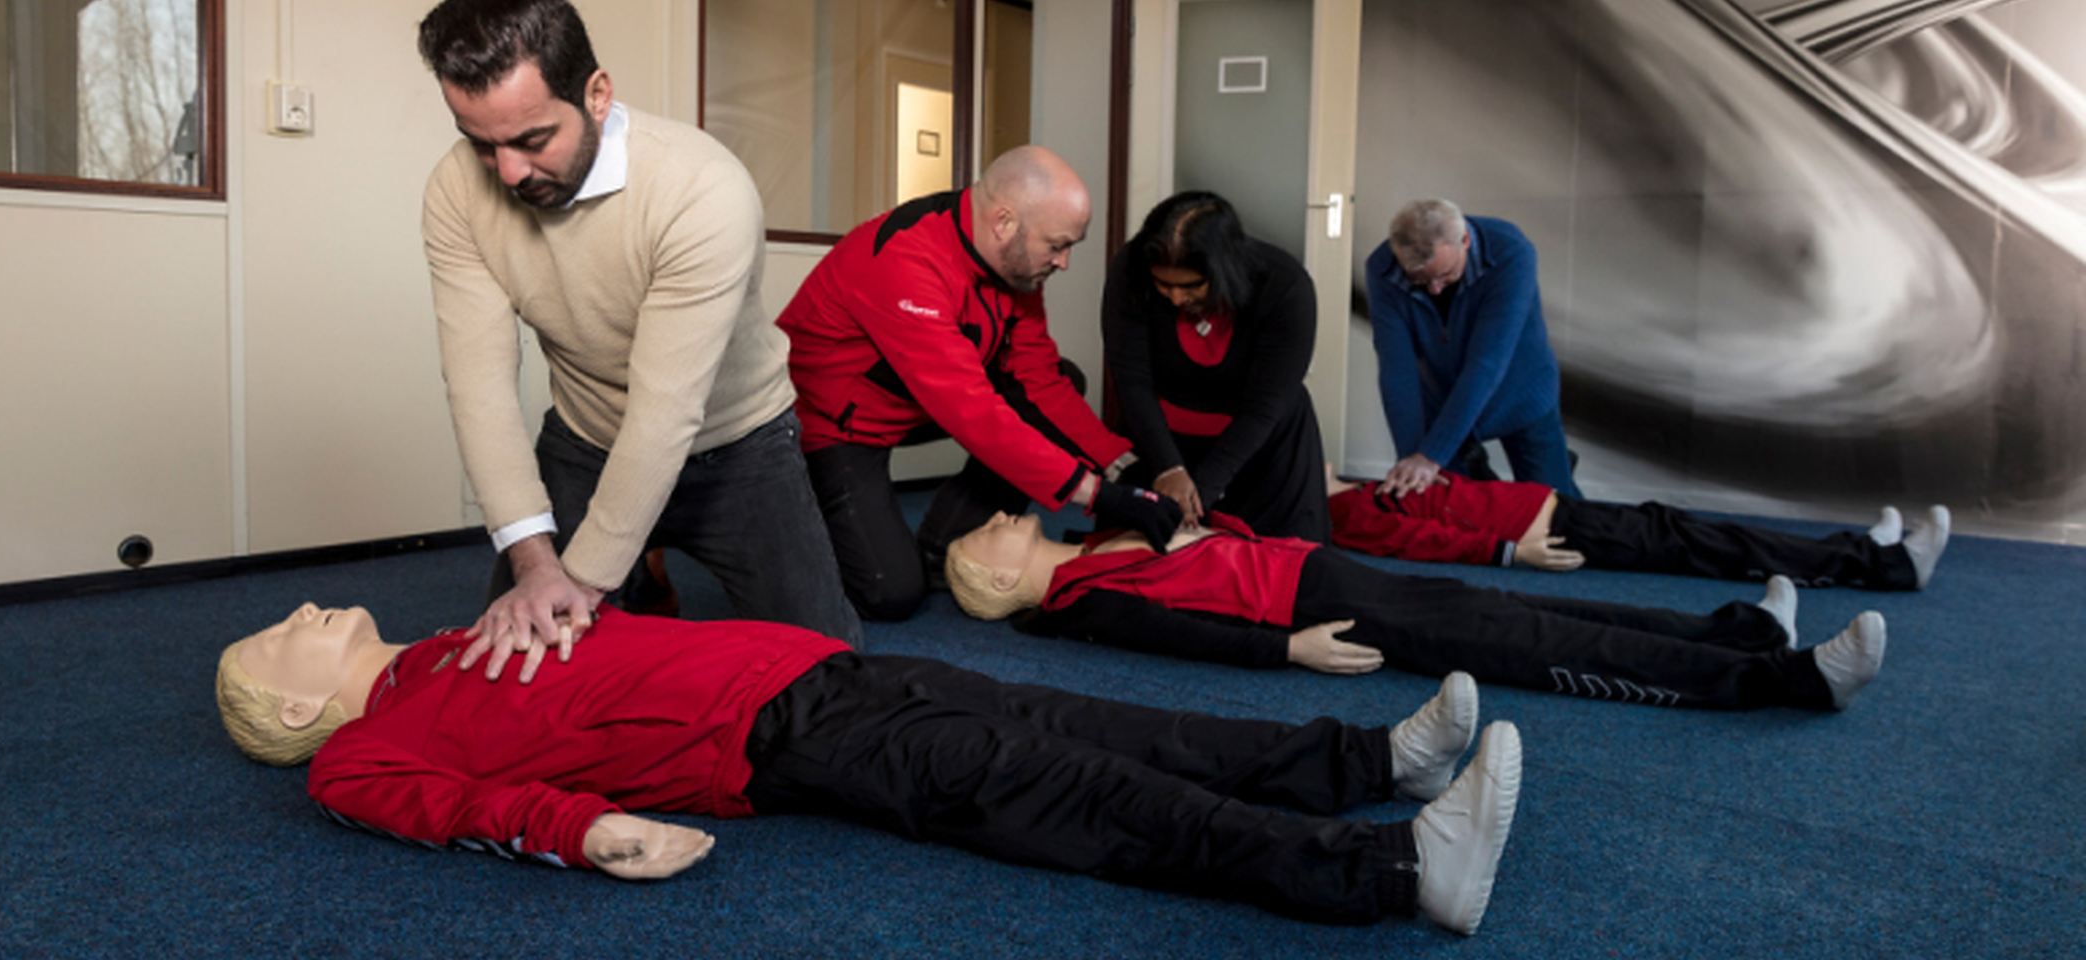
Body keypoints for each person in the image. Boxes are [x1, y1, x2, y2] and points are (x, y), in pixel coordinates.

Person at [213, 603, 1523, 935]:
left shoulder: (448, 640)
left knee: (1089, 720)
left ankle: (1365, 761)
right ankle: (1394, 873)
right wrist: (583, 832)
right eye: (284, 633)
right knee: (1055, 788)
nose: (307, 613)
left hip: (809, 667)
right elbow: (463, 809)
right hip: (778, 742)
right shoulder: (363, 755)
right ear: (287, 701)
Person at [415, 0, 859, 662]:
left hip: (736, 444)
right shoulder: (455, 190)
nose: (508, 173)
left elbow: (666, 410)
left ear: (597, 95)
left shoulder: (702, 189)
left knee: (829, 668)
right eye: (483, 143)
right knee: (522, 667)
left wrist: (586, 581)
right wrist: (535, 564)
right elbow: (478, 385)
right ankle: (643, 575)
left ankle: (632, 559)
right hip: (586, 437)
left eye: (533, 140)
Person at [777, 145, 1181, 622]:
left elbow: (1040, 380)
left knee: (1060, 380)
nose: (1064, 262)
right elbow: (973, 413)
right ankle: (785, 525)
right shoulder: (905, 262)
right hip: (835, 423)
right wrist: (1099, 496)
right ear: (1004, 222)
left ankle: (942, 547)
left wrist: (1123, 466)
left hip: (914, 403)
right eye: (1056, 245)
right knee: (891, 595)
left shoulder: (1015, 263)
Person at [945, 511, 1889, 712]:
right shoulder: (1082, 601)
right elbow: (1182, 630)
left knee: (1508, 603)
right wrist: (1291, 654)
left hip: (1324, 569)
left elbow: (1194, 524)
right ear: (996, 585)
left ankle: (1740, 629)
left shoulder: (1094, 534)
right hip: (1319, 611)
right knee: (1527, 640)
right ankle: (1781, 679)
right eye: (982, 539)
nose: (994, 518)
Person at [1101, 191, 1329, 541]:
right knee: (1133, 560)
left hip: (1260, 441)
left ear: (1224, 268)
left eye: (1191, 286)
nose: (1176, 298)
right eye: (1163, 284)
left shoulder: (1285, 286)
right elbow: (1131, 379)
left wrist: (1201, 491)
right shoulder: (1129, 270)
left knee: (1278, 566)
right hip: (1159, 437)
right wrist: (1169, 467)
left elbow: (1263, 407)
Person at [1326, 466, 1952, 590]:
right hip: (1552, 528)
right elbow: (1419, 542)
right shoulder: (1343, 511)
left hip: (1552, 509)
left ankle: (1863, 551)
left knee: (1699, 537)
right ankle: (1884, 564)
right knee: (1715, 547)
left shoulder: (1349, 488)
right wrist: (1510, 552)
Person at [1363, 199, 1580, 499]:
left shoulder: (1511, 252)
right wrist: (1412, 459)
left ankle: (1556, 474)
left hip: (1521, 393)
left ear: (1464, 240)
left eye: (1445, 275)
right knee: (1447, 504)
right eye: (1420, 280)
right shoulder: (1382, 269)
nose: (1435, 289)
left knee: (1555, 507)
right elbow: (1397, 370)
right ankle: (1474, 466)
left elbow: (1486, 365)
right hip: (1444, 399)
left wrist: (1431, 455)